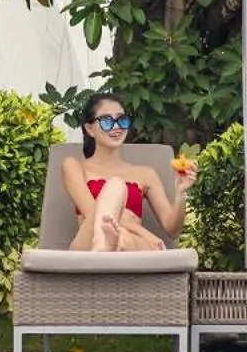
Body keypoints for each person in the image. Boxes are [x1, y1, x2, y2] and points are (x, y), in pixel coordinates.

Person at [64, 92, 194, 252]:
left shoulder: (145, 173)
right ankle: (104, 242)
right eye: (106, 121)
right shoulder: (74, 166)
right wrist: (143, 232)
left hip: (130, 245)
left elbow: (172, 230)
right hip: (88, 242)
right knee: (116, 186)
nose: (116, 126)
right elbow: (93, 212)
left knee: (124, 238)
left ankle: (109, 246)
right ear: (90, 129)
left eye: (121, 120)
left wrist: (181, 193)